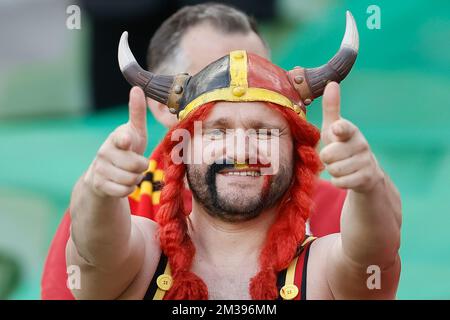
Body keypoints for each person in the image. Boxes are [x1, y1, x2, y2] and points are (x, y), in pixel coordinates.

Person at [66, 7, 401, 299]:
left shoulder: (324, 272)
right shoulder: (142, 258)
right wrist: (97, 188)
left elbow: (374, 255)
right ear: (182, 147)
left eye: (263, 131)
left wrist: (370, 184)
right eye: (218, 131)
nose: (241, 147)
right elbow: (92, 251)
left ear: (297, 150)